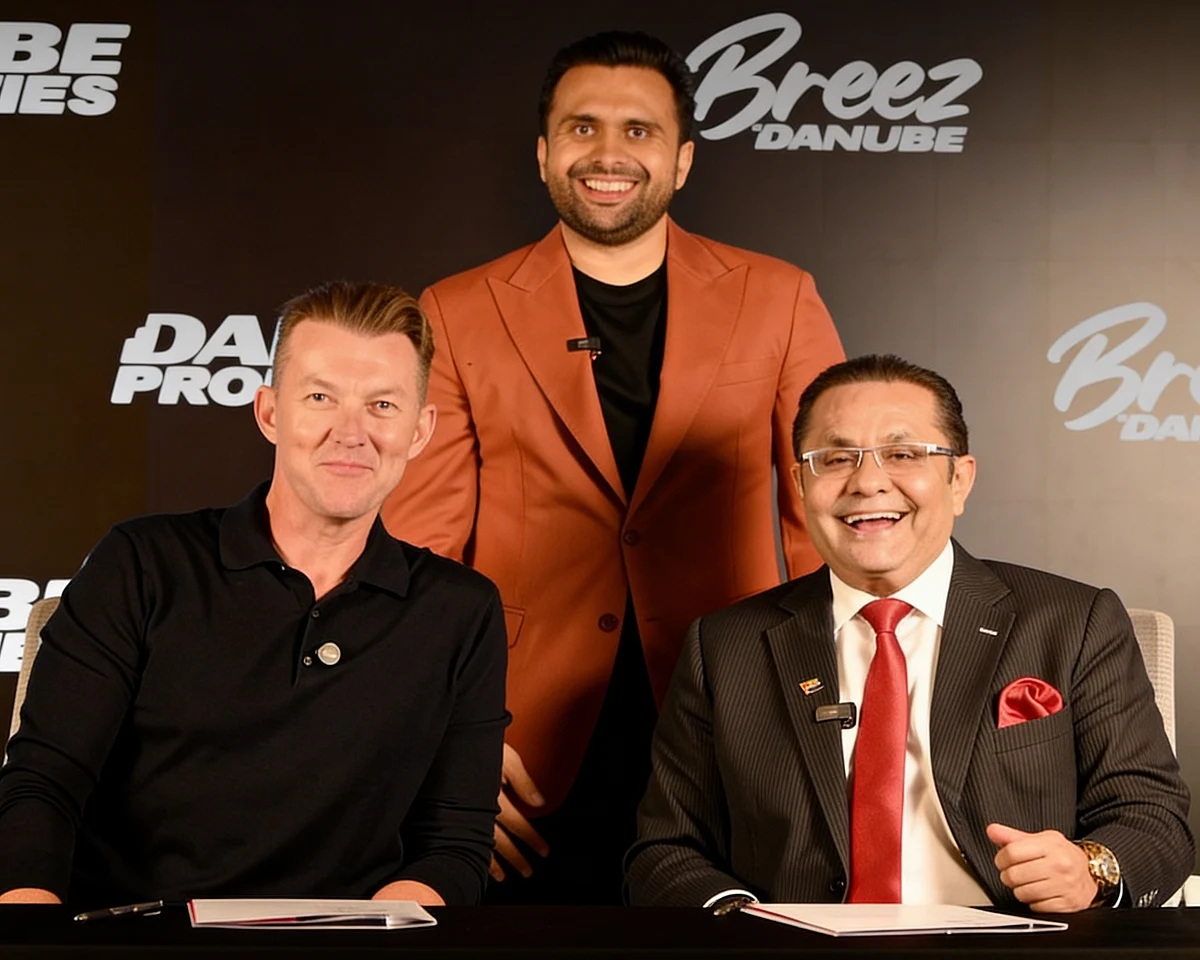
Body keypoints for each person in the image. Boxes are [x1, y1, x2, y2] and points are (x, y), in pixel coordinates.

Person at [382, 31, 843, 904]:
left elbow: (823, 522)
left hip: (739, 713)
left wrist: (824, 717)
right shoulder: (456, 306)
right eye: (582, 127)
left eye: (639, 130)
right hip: (521, 743)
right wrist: (448, 738)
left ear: (682, 160)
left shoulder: (779, 296)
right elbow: (420, 551)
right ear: (544, 152)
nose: (608, 153)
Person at [0, 281, 509, 907]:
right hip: (137, 939)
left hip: (346, 946)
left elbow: (454, 847)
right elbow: (43, 783)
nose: (352, 433)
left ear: (420, 431)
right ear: (270, 413)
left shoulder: (462, 611)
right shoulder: (143, 562)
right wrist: (33, 937)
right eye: (320, 397)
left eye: (382, 405)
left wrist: (379, 941)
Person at [627, 354, 1193, 912]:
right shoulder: (724, 646)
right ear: (799, 484)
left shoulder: (1073, 621)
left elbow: (1154, 818)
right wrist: (741, 923)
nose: (868, 482)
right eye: (836, 458)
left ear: (959, 480)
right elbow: (666, 850)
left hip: (1008, 943)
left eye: (903, 454)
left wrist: (1091, 869)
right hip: (796, 949)